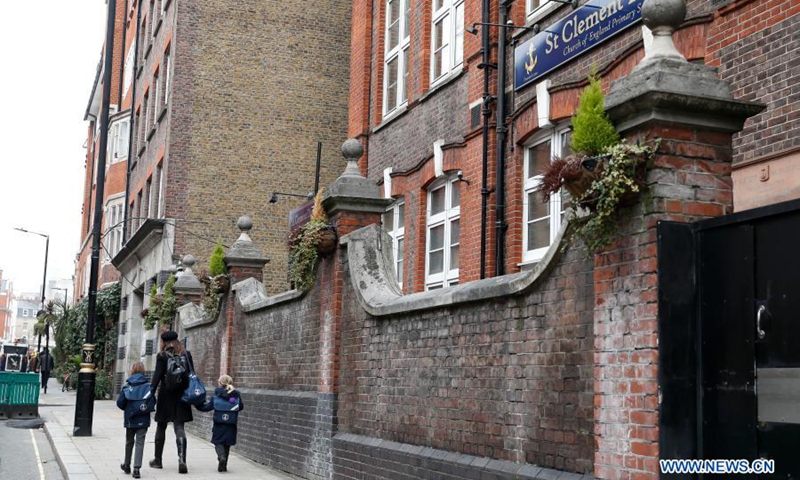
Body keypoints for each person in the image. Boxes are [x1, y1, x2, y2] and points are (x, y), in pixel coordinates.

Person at [149, 330, 194, 474]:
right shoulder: (186, 354)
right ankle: (182, 460)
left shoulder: (162, 356)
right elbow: (192, 374)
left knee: (161, 426)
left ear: (163, 342)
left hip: (166, 395)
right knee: (179, 427)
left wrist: (150, 393)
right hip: (183, 396)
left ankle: (158, 460)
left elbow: (156, 377)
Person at [197, 375, 244, 472]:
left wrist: (197, 405)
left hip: (219, 424)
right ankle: (224, 465)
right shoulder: (236, 394)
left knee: (218, 442)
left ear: (220, 383)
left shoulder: (217, 395)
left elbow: (207, 407)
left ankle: (221, 457)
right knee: (227, 444)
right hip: (231, 424)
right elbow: (241, 407)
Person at [116, 362, 154, 479]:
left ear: (132, 371)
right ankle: (136, 469)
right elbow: (153, 402)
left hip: (130, 418)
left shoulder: (127, 386)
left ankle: (127, 465)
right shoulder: (149, 386)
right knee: (140, 442)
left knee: (129, 441)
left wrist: (128, 409)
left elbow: (120, 403)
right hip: (143, 418)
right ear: (143, 371)